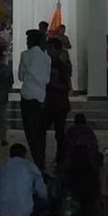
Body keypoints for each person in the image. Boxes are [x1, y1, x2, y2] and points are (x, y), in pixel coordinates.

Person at [18, 29, 51, 170]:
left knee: (30, 132)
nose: (26, 43)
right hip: (42, 96)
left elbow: (20, 76)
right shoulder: (46, 57)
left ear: (31, 41)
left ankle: (37, 161)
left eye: (27, 40)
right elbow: (47, 78)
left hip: (28, 96)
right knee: (40, 132)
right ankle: (41, 160)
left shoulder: (25, 55)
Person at [0, 142, 48, 216]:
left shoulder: (1, 166)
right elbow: (43, 194)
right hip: (23, 214)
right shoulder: (30, 166)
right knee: (45, 202)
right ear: (24, 155)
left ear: (10, 154)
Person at [45, 36, 72, 164]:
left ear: (56, 49)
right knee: (42, 131)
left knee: (60, 134)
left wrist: (51, 84)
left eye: (50, 48)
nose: (48, 51)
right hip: (48, 102)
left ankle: (61, 159)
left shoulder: (62, 66)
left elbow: (66, 86)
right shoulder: (46, 64)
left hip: (59, 103)